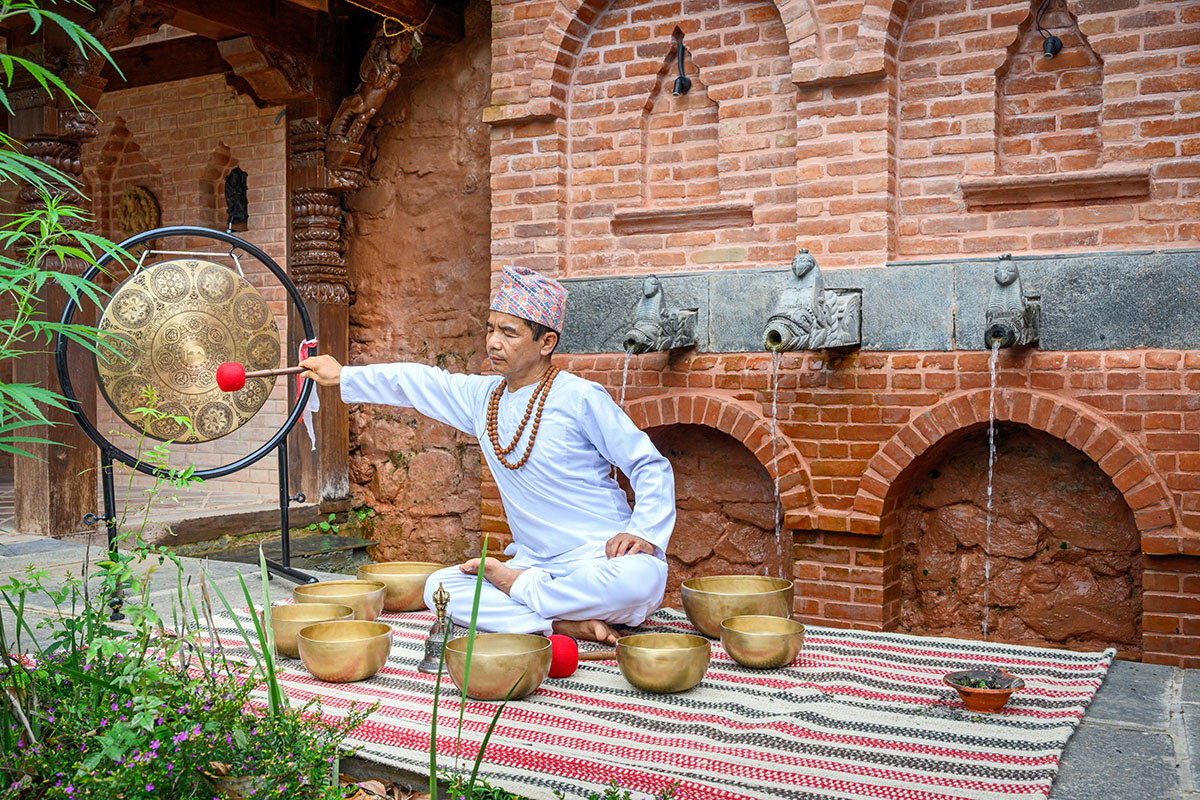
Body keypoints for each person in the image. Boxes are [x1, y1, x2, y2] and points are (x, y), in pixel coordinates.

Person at [298, 265, 676, 643]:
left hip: (597, 560)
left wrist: (642, 532)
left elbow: (647, 463)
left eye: (508, 333)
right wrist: (344, 376)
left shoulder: (579, 397)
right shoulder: (484, 399)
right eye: (490, 329)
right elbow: (419, 382)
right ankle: (559, 622)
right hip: (536, 564)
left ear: (546, 343)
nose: (493, 342)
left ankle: (524, 595)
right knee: (440, 588)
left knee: (640, 582)